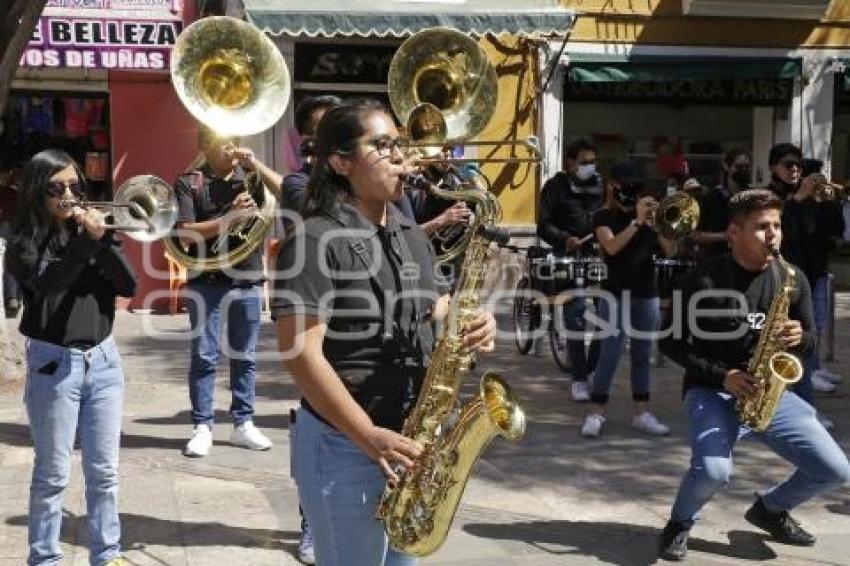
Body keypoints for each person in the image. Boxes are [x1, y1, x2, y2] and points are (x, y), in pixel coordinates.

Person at [272, 98, 497, 566]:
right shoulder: (313, 239)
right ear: (340, 162)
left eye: (400, 144)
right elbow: (300, 355)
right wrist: (366, 434)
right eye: (382, 145)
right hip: (346, 447)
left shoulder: (407, 231)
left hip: (409, 444)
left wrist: (469, 319)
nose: (401, 156)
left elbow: (429, 307)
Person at [657, 189, 850, 561]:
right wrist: (721, 375)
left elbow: (810, 343)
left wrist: (801, 337)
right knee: (713, 471)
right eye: (762, 227)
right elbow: (669, 342)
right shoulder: (704, 279)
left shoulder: (792, 278)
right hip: (713, 389)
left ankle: (771, 509)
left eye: (777, 225)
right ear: (734, 233)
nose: (773, 234)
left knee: (835, 469)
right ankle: (680, 523)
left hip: (770, 392)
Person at [5, 149, 137, 566]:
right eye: (56, 187)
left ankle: (107, 554)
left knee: (104, 473)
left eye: (75, 186)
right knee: (53, 475)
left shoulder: (94, 234)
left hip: (103, 362)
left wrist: (103, 243)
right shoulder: (23, 241)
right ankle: (44, 558)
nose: (68, 194)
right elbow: (50, 284)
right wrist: (86, 242)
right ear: (36, 191)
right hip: (53, 364)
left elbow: (129, 285)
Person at [174, 125, 283, 458]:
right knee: (205, 356)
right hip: (206, 279)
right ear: (205, 146)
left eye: (235, 141)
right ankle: (203, 426)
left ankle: (243, 424)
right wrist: (231, 216)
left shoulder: (249, 178)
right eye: (223, 143)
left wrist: (256, 166)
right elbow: (184, 234)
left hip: (246, 276)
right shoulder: (188, 181)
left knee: (245, 357)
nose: (231, 148)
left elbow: (288, 193)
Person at [582, 161, 675, 438]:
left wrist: (658, 223)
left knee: (642, 353)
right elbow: (611, 247)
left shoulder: (650, 218)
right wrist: (636, 221)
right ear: (613, 185)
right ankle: (596, 412)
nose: (632, 190)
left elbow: (670, 251)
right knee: (610, 352)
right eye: (627, 185)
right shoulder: (602, 217)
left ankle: (642, 412)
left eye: (637, 185)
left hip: (646, 291)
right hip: (614, 291)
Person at [767, 145, 844, 406]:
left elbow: (832, 230)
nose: (795, 170)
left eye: (798, 165)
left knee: (807, 337)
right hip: (778, 279)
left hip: (809, 275)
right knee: (783, 345)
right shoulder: (768, 195)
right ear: (773, 168)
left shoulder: (809, 197)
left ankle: (804, 400)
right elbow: (776, 229)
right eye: (788, 164)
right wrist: (799, 198)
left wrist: (829, 202)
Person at [537, 139, 604, 401]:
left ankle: (591, 368)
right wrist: (564, 239)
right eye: (584, 161)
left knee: (605, 314)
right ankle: (579, 378)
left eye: (592, 161)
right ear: (570, 163)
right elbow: (543, 225)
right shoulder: (555, 187)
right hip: (568, 255)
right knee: (575, 315)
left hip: (597, 256)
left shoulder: (600, 186)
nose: (590, 166)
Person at [693, 148, 752, 259]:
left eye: (747, 167)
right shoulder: (711, 198)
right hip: (718, 258)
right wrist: (724, 236)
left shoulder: (754, 197)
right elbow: (695, 235)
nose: (743, 170)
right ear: (727, 166)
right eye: (739, 167)